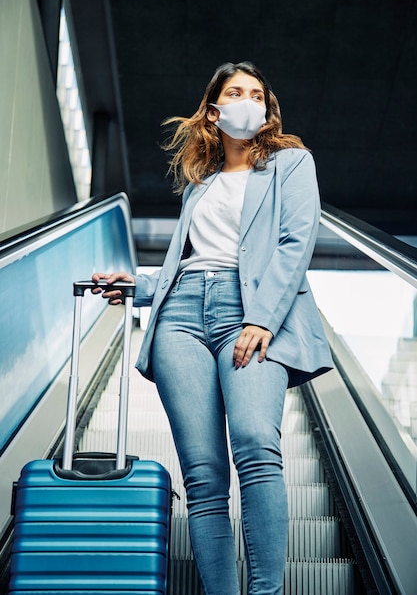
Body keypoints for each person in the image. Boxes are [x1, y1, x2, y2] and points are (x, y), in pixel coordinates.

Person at [92, 61, 333, 595]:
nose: (247, 100)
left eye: (256, 93)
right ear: (213, 110)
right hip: (180, 318)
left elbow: (295, 245)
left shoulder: (292, 164)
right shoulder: (200, 184)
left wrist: (261, 319)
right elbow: (191, 261)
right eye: (235, 92)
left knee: (254, 443)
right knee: (202, 475)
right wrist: (138, 285)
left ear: (267, 109)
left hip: (248, 313)